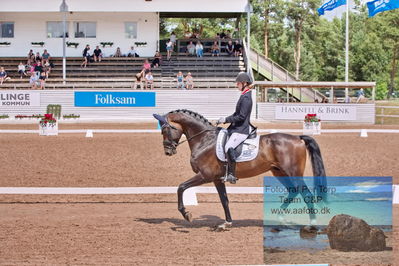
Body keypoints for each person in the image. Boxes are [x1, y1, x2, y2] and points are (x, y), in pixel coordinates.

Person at [217, 72, 254, 184]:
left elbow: (242, 116)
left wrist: (226, 120)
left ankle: (232, 174)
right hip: (236, 128)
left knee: (228, 147)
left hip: (241, 130)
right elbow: (236, 113)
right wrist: (225, 119)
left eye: (238, 83)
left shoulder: (247, 98)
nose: (236, 85)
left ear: (244, 83)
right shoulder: (243, 95)